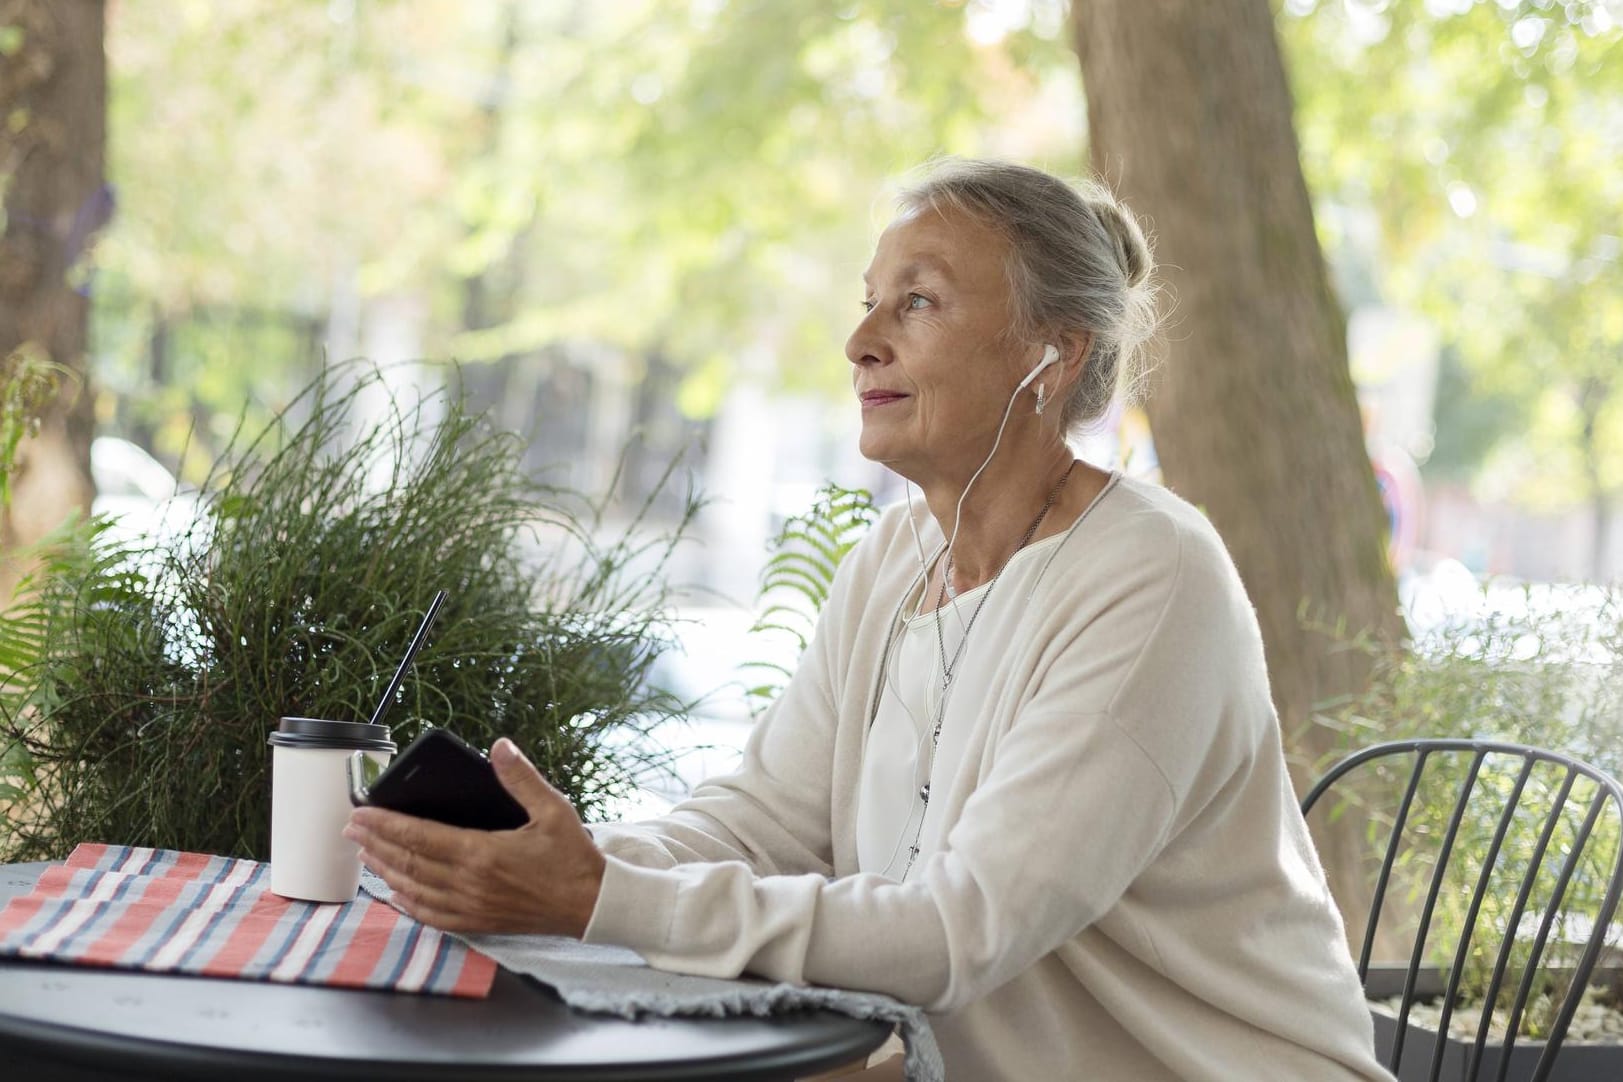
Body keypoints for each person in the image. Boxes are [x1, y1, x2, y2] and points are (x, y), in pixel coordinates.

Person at [345, 159, 1393, 1081]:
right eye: (868, 303)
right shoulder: (896, 558)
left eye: (918, 304)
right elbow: (762, 823)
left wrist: (592, 897)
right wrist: (546, 856)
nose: (859, 342)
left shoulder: (1151, 576)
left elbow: (957, 927)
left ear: (1052, 355)